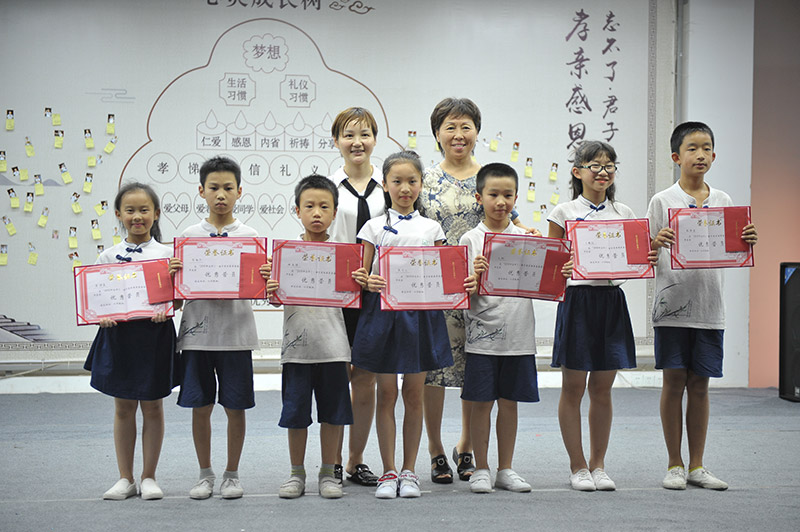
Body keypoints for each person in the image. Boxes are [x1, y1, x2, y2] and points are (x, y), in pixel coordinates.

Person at [420, 98, 530, 484]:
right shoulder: (425, 180)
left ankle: (466, 446)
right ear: (437, 134)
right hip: (438, 291)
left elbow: (514, 226)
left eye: (465, 126)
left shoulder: (491, 177)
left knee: (474, 373)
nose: (458, 134)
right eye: (449, 127)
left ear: (477, 132)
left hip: (484, 295)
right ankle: (436, 450)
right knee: (434, 374)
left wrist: (533, 238)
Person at [350, 150, 470, 499]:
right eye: (397, 181)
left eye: (412, 181)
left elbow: (445, 274)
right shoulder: (372, 228)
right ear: (384, 184)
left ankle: (409, 470)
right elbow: (361, 275)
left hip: (421, 318)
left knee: (414, 394)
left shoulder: (432, 228)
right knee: (386, 394)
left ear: (421, 184)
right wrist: (367, 281)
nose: (405, 188)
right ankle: (388, 471)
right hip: (383, 317)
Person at [647, 122, 758, 490]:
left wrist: (747, 239)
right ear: (676, 157)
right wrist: (656, 242)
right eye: (692, 148)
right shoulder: (662, 200)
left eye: (706, 148)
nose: (700, 155)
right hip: (672, 307)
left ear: (714, 155)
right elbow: (646, 253)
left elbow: (735, 249)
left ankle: (697, 465)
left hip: (710, 308)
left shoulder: (724, 201)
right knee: (673, 383)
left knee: (700, 386)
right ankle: (674, 464)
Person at [548, 140, 657, 491]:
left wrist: (647, 257)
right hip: (577, 301)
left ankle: (599, 465)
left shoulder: (624, 213)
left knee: (602, 389)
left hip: (611, 301)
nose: (602, 172)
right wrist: (561, 268)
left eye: (609, 165)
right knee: (573, 387)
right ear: (577, 171)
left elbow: (636, 258)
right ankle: (577, 466)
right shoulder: (563, 212)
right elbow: (551, 269)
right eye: (594, 165)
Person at [171, 156, 269, 500]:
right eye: (214, 188)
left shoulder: (251, 237)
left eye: (228, 188)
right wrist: (173, 278)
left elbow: (260, 290)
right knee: (200, 407)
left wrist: (265, 278)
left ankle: (232, 474)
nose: (221, 194)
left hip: (236, 335)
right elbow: (176, 298)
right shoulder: (187, 237)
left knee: (235, 407)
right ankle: (205, 474)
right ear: (201, 191)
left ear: (240, 191)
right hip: (197, 336)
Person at [460, 163, 554, 494]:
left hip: (518, 335)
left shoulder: (528, 240)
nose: (501, 202)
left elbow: (546, 283)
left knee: (509, 403)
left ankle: (505, 469)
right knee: (482, 404)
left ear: (516, 198)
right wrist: (474, 278)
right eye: (493, 195)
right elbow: (462, 291)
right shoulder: (470, 239)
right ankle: (481, 468)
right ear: (479, 197)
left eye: (508, 195)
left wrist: (559, 266)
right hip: (482, 338)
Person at [83, 182, 179, 500]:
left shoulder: (168, 255)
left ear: (156, 214)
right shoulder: (107, 255)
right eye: (130, 210)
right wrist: (102, 316)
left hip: (154, 336)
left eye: (144, 210)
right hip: (119, 338)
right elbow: (97, 299)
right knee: (123, 408)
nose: (137, 216)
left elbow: (179, 300)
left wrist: (168, 308)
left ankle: (149, 477)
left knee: (153, 407)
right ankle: (125, 478)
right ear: (118, 214)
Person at [266, 175, 355, 500]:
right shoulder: (284, 255)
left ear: (334, 213)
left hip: (334, 348)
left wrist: (359, 281)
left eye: (324, 207)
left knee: (333, 415)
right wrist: (271, 288)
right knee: (296, 416)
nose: (317, 213)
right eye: (309, 206)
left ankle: (328, 472)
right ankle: (297, 473)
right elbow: (275, 300)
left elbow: (353, 303)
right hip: (297, 351)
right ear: (297, 210)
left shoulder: (346, 255)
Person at [328, 107, 384, 487]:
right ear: (337, 141)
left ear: (375, 139)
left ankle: (356, 459)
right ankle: (331, 461)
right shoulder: (326, 187)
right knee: (337, 376)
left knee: (365, 379)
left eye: (365, 134)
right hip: (337, 292)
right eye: (349, 135)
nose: (357, 142)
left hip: (376, 293)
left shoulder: (389, 185)